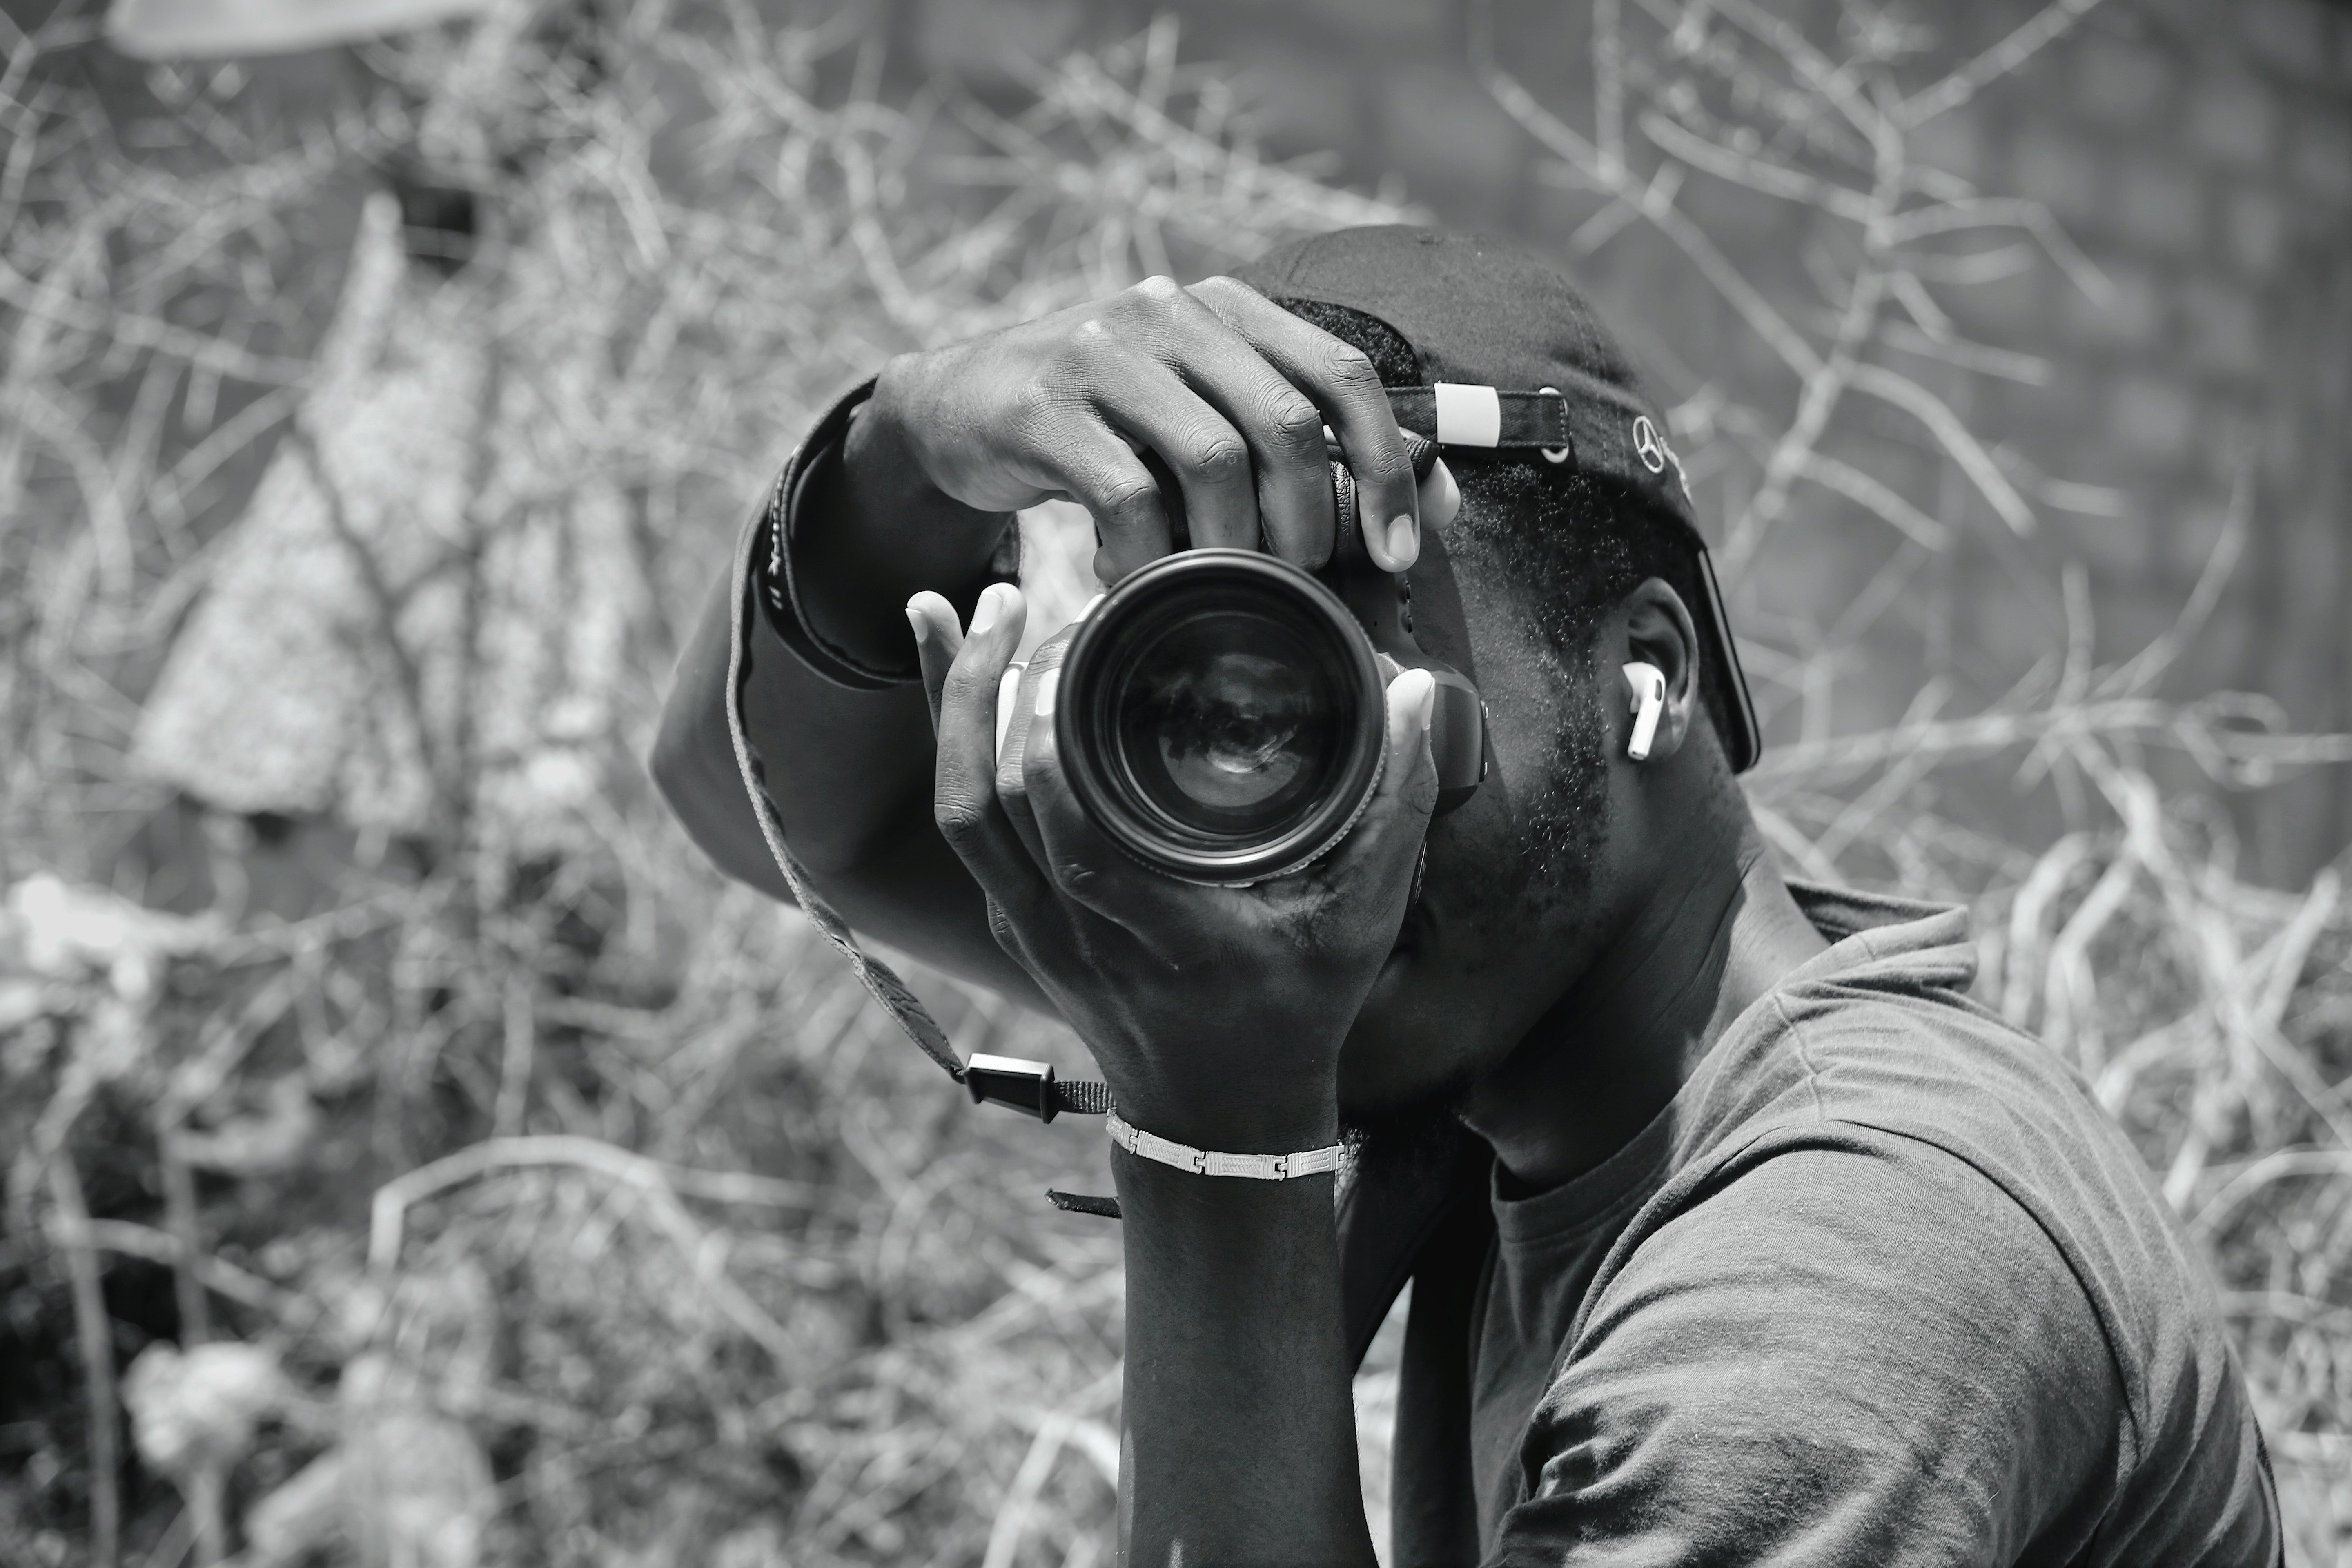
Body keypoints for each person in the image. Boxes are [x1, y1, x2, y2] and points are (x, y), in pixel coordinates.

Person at [652, 226, 2281, 1566]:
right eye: (1223, 713)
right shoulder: (1504, 1029)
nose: (1292, 830)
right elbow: (771, 813)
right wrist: (897, 451)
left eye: (1350, 687)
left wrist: (1218, 1130)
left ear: (1645, 674)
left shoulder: (1849, 1274)